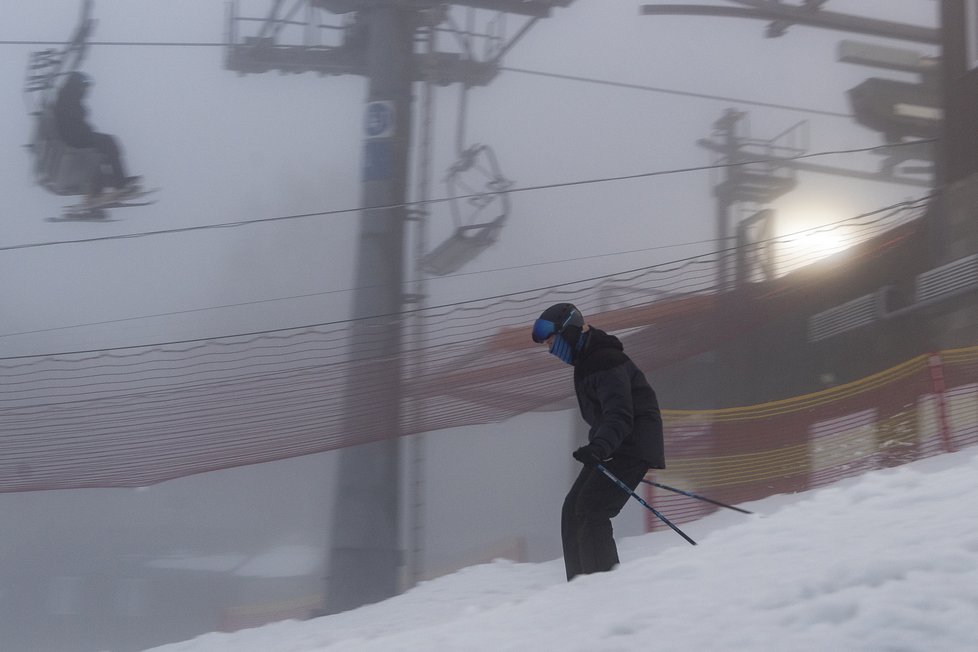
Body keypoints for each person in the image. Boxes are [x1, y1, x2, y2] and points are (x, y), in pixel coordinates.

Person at [531, 302, 665, 581]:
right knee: (572, 509)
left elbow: (619, 414)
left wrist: (599, 447)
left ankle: (602, 585)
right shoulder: (587, 362)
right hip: (615, 445)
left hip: (631, 446)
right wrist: (597, 445)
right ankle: (581, 584)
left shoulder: (604, 360)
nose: (551, 350)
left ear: (568, 332)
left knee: (591, 509)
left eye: (553, 341)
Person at [53, 71, 139, 199]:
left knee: (100, 153)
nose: (86, 91)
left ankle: (95, 192)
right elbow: (73, 121)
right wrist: (88, 132)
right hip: (75, 138)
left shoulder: (67, 97)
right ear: (78, 85)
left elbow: (75, 121)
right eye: (84, 87)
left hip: (75, 136)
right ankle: (119, 183)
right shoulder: (69, 99)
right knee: (109, 143)